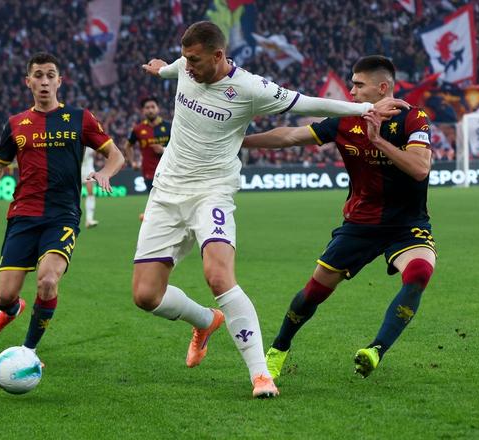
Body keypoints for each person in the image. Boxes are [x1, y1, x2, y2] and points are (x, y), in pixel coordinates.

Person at [134, 22, 408, 398]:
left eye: (194, 60)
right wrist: (162, 68)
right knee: (146, 296)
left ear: (218, 56)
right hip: (166, 192)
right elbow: (173, 68)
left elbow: (307, 103)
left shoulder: (250, 88)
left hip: (212, 192)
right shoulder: (185, 67)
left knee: (218, 276)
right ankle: (205, 320)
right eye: (185, 60)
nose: (188, 67)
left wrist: (365, 108)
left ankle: (261, 376)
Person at [242, 55, 436, 380]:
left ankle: (375, 350)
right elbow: (289, 136)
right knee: (313, 293)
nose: (352, 91)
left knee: (419, 273)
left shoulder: (413, 119)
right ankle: (278, 348)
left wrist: (377, 140)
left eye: (358, 85)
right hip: (360, 224)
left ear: (382, 87)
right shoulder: (345, 120)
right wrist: (237, 140)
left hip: (407, 224)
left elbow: (419, 168)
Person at [0, 52, 124, 356]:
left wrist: (105, 173)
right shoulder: (16, 123)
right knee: (4, 296)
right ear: (28, 81)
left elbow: (116, 155)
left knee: (47, 280)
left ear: (60, 81)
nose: (44, 82)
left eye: (50, 75)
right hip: (23, 216)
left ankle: (27, 351)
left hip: (62, 216)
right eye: (38, 75)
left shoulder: (79, 118)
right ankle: (11, 309)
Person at [122, 97, 171, 193]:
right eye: (147, 108)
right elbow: (127, 146)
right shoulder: (138, 129)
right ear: (143, 110)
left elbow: (178, 147)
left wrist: (163, 150)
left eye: (153, 107)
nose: (150, 110)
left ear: (158, 108)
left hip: (168, 171)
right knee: (154, 200)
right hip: (149, 172)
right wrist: (132, 162)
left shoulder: (169, 126)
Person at [81, 147, 99, 228]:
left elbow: (95, 153)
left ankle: (89, 219)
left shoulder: (91, 144)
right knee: (74, 194)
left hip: (88, 169)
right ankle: (71, 216)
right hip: (78, 169)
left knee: (90, 193)